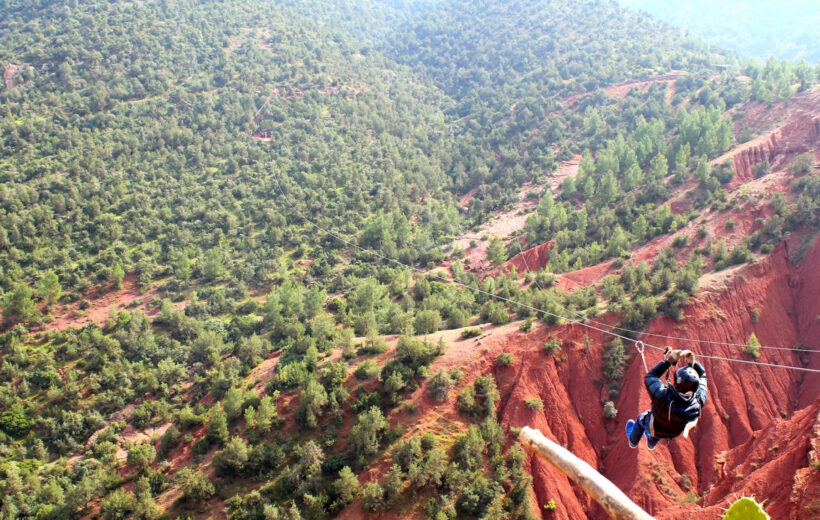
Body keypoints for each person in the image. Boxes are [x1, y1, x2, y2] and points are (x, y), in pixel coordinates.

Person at [626, 349, 707, 450]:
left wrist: (670, 361)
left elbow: (651, 376)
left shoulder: (662, 395)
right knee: (660, 427)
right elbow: (703, 376)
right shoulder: (699, 401)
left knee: (642, 419)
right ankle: (651, 444)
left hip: (655, 427)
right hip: (674, 432)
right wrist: (692, 363)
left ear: (677, 383)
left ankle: (633, 442)